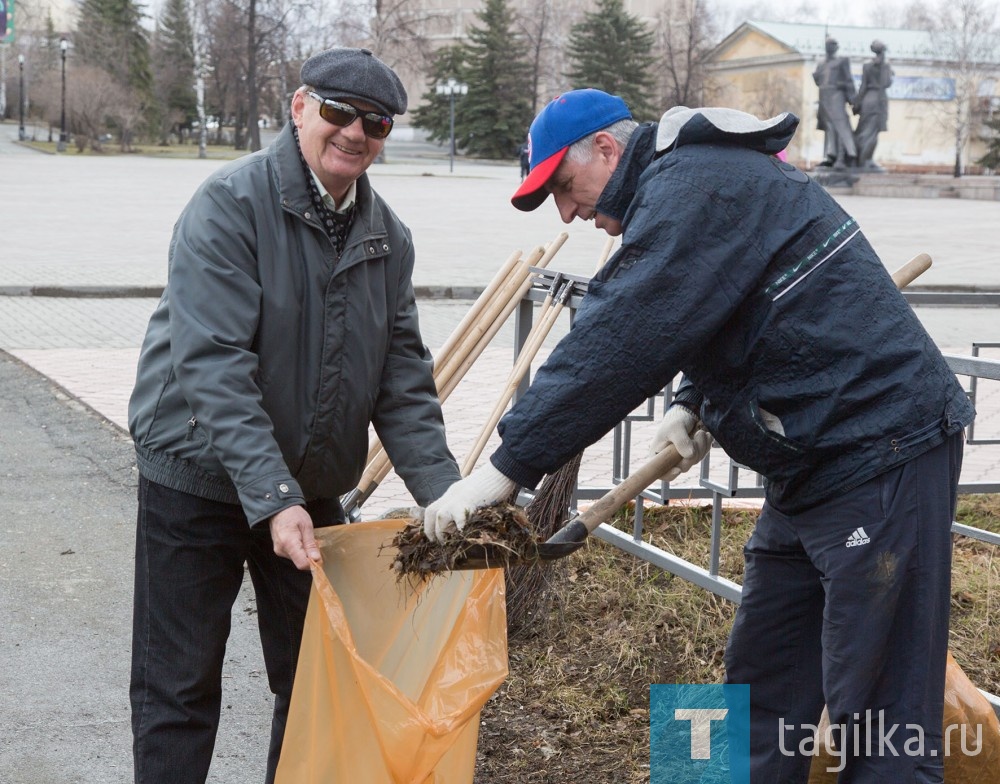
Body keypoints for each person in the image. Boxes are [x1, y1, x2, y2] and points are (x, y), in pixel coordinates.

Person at [422, 89, 973, 782]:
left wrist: (502, 469)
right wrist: (693, 400)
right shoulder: (688, 184)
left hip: (880, 451)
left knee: (881, 715)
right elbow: (723, 305)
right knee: (761, 674)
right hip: (808, 460)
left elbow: (619, 336)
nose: (568, 211)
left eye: (564, 186)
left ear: (608, 150)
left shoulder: (698, 184)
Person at [128, 47, 461, 784]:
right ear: (300, 107)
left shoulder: (387, 237)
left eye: (374, 124)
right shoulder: (230, 205)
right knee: (179, 686)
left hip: (307, 485)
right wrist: (273, 498)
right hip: (198, 472)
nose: (354, 134)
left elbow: (403, 380)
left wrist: (448, 497)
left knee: (315, 678)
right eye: (338, 113)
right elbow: (213, 362)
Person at [813, 36, 858, 169]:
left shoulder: (842, 61)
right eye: (828, 44)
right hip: (824, 97)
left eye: (832, 44)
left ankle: (843, 157)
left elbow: (848, 80)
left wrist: (853, 100)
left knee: (841, 127)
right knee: (829, 127)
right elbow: (818, 81)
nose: (830, 47)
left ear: (836, 47)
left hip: (837, 96)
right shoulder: (821, 63)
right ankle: (830, 156)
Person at [853, 40, 894, 171]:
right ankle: (866, 161)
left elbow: (863, 87)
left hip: (867, 100)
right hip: (878, 100)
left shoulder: (867, 66)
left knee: (864, 131)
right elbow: (886, 83)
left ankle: (861, 160)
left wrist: (857, 102)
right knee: (871, 133)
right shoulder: (884, 66)